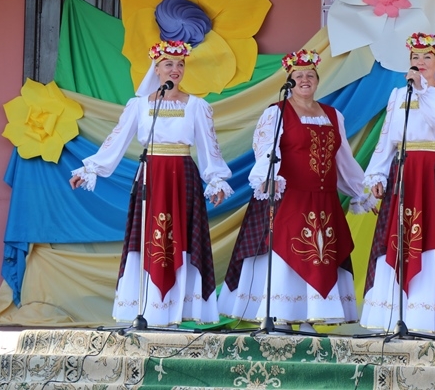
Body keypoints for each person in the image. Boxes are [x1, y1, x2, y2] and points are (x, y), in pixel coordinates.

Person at [69, 39, 232, 326]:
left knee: (181, 238)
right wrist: (91, 168)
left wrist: (216, 179)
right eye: (168, 64)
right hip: (151, 175)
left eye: (180, 64)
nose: (175, 69)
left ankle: (177, 311)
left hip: (182, 176)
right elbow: (117, 140)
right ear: (156, 69)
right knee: (150, 237)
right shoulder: (140, 106)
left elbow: (209, 147)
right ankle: (148, 309)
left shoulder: (197, 106)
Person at [218, 49, 375, 331]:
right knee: (287, 253)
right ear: (289, 80)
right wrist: (268, 177)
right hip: (288, 196)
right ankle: (281, 315)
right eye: (298, 76)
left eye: (310, 75)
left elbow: (342, 158)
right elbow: (266, 149)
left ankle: (309, 318)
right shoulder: (276, 113)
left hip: (323, 201)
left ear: (317, 80)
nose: (304, 80)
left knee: (319, 254)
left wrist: (359, 191)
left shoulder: (332, 115)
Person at [360, 33, 435, 333]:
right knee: (399, 233)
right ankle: (393, 314)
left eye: (426, 57)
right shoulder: (398, 94)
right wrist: (378, 173)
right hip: (404, 168)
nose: (420, 62)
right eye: (415, 58)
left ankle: (426, 315)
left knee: (432, 233)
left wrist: (423, 90)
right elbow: (388, 136)